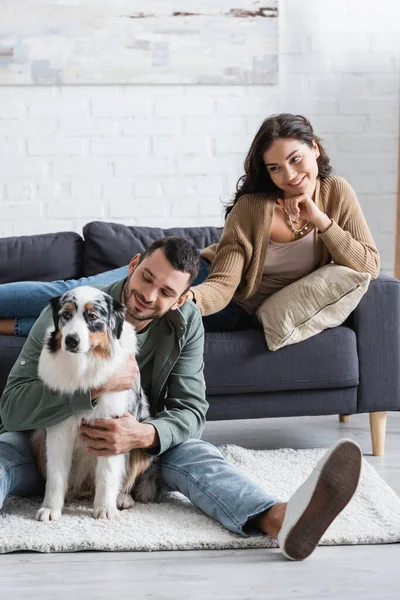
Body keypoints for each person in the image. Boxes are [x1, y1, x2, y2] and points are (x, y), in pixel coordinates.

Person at [0, 236, 362, 561]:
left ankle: (279, 519)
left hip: (135, 451)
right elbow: (12, 409)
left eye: (167, 292)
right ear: (134, 264)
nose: (149, 295)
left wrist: (144, 435)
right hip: (46, 442)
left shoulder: (186, 322)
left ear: (183, 297)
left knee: (198, 453)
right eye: (146, 278)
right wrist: (93, 392)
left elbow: (191, 411)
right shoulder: (72, 311)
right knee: (4, 451)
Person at [0, 113, 379, 337]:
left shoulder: (337, 194)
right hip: (196, 279)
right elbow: (223, 283)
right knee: (79, 292)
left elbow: (368, 265)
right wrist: (183, 297)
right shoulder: (252, 208)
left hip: (232, 314)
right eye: (275, 168)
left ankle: (5, 328)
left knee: (105, 323)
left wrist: (320, 220)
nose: (290, 175)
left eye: (296, 159)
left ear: (314, 147)